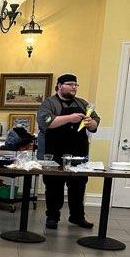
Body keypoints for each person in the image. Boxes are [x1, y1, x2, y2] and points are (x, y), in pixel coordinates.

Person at [37, 74, 100, 230]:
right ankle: (52, 217)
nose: (74, 87)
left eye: (75, 85)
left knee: (78, 185)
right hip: (54, 151)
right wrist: (70, 118)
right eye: (70, 84)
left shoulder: (83, 103)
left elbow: (95, 122)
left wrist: (90, 123)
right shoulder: (49, 103)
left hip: (78, 151)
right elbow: (45, 122)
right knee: (54, 186)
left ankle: (77, 217)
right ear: (59, 86)